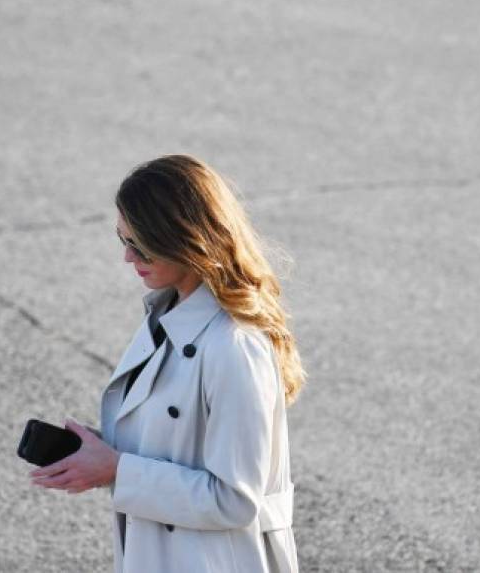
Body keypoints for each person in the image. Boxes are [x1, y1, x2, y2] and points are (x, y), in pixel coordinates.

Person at [30, 154, 305, 572]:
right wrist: (104, 453)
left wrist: (117, 469)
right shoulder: (167, 315)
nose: (127, 258)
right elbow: (176, 443)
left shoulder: (234, 345)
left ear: (184, 238)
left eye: (140, 245)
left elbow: (234, 499)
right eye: (122, 239)